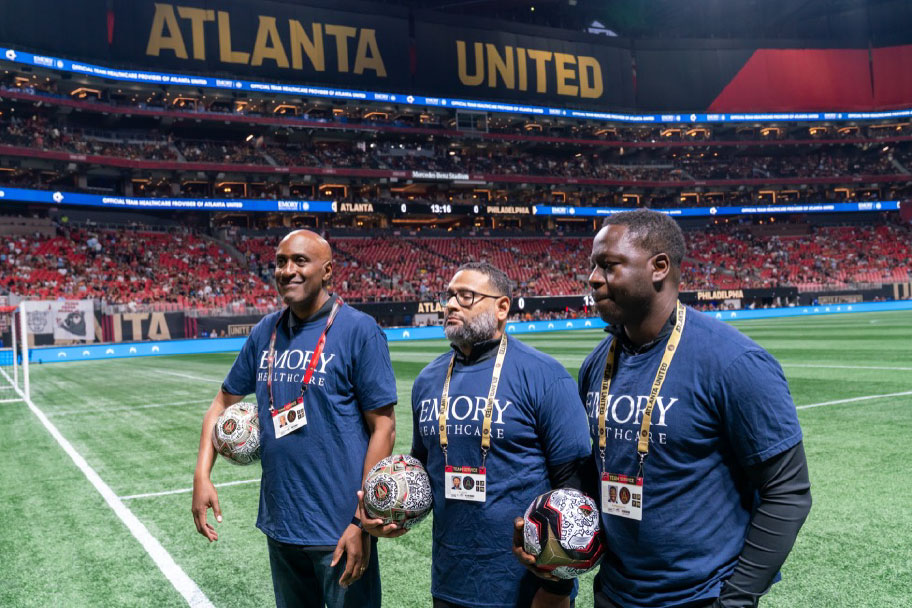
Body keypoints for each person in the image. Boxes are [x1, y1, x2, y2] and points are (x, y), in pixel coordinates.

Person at [520, 209, 811, 608]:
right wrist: (550, 531)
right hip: (614, 594)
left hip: (700, 598)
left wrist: (736, 600)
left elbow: (787, 493)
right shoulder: (597, 364)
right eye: (592, 265)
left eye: (608, 265)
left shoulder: (735, 363)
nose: (591, 277)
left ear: (659, 267)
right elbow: (601, 471)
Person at [361, 262, 592, 608]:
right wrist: (387, 513)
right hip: (450, 582)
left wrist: (556, 589)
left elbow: (574, 492)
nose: (451, 304)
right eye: (448, 296)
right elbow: (421, 473)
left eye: (466, 296)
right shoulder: (428, 380)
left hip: (527, 590)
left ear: (502, 307)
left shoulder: (546, 376)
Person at [191, 229, 397, 608]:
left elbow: (383, 427)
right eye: (280, 262)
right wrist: (202, 475)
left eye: (300, 260)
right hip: (281, 524)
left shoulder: (360, 331)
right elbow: (221, 402)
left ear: (328, 271)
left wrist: (361, 521)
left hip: (340, 528)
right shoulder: (263, 332)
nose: (287, 270)